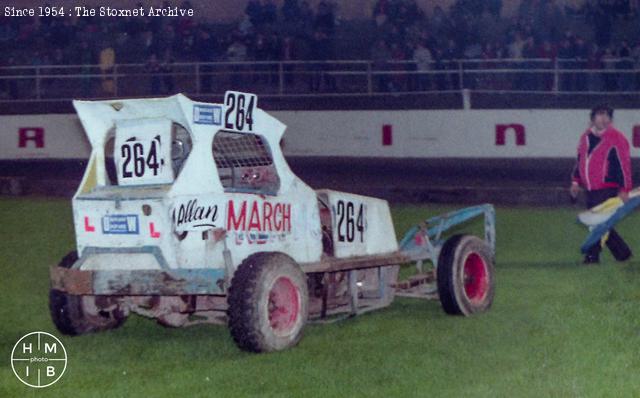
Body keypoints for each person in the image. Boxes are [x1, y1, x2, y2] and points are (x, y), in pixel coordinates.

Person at [570, 104, 633, 264]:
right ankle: (623, 253)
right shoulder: (585, 137)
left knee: (598, 222)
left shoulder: (617, 138)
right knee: (602, 223)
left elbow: (624, 165)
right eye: (600, 115)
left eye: (607, 116)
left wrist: (624, 189)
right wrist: (575, 181)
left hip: (607, 187)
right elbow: (580, 161)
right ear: (593, 118)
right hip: (590, 188)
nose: (604, 119)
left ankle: (592, 256)